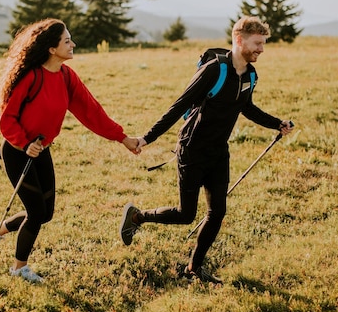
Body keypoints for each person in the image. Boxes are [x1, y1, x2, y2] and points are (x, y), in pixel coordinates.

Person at [119, 16, 294, 284]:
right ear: (239, 40)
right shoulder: (214, 70)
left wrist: (275, 123)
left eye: (263, 44)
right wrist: (147, 138)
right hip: (192, 149)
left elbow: (245, 106)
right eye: (258, 43)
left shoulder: (250, 74)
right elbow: (179, 105)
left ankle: (194, 268)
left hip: (218, 152)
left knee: (217, 213)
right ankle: (137, 216)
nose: (262, 49)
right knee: (185, 215)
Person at [0, 18, 140, 283]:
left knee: (46, 213)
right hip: (17, 151)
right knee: (35, 213)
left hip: (41, 150)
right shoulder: (31, 77)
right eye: (67, 40)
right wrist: (23, 142)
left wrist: (122, 137)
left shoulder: (67, 77)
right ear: (52, 49)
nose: (73, 44)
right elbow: (6, 119)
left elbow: (92, 111)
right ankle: (19, 268)